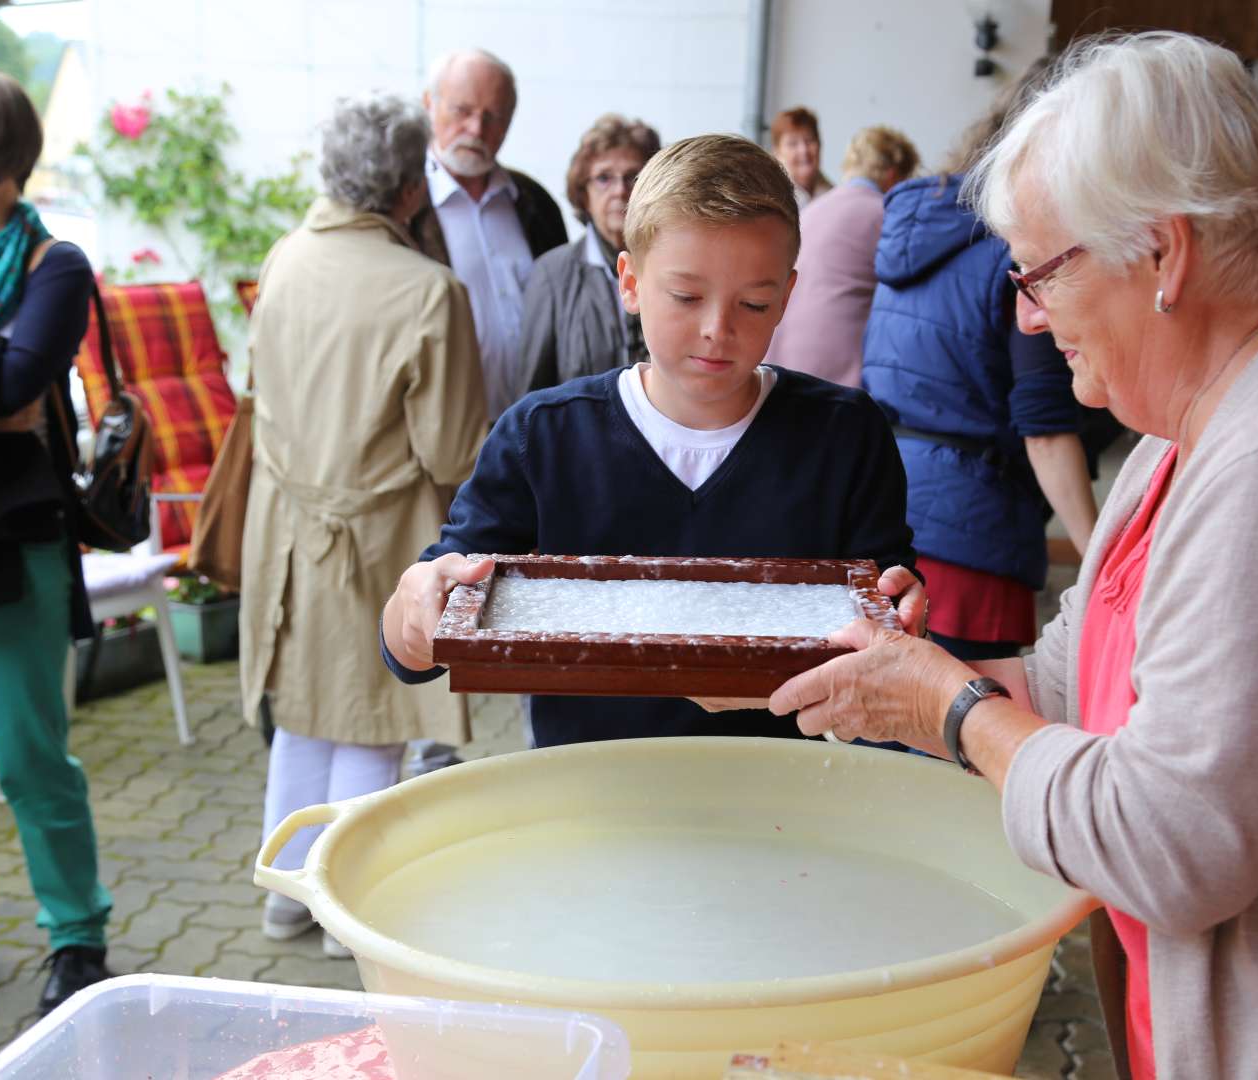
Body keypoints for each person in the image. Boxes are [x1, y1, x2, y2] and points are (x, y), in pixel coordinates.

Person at [769, 33, 1258, 1080]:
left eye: (1039, 272)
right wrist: (883, 682)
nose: (1023, 312)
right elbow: (1072, 692)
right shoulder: (1188, 433)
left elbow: (1174, 845)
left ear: (1163, 254)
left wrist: (952, 712)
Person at [380, 134, 916, 749]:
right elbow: (414, 643)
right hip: (589, 797)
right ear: (630, 282)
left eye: (754, 302)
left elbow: (887, 623)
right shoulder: (542, 439)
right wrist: (415, 613)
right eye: (686, 297)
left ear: (787, 298)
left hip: (782, 798)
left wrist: (898, 624)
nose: (718, 329)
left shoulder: (846, 438)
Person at [242, 95, 489, 955]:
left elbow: (257, 391)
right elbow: (456, 449)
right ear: (412, 188)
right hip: (379, 527)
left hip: (284, 525)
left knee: (306, 711)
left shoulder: (282, 259)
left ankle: (284, 893)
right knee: (372, 718)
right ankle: (341, 914)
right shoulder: (428, 291)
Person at [0, 70, 112, 1013]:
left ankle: (77, 937)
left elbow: (10, 390)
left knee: (28, 755)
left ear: (0, 154)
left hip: (11, 537)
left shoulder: (58, 267)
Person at [861, 86, 1097, 662]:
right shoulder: (1017, 249)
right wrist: (1103, 559)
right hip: (973, 534)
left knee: (884, 722)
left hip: (891, 513)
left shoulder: (914, 235)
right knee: (960, 731)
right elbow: (1042, 424)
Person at [412, 49, 568, 420]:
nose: (476, 130)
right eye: (462, 111)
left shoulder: (533, 202)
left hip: (527, 428)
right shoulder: (404, 203)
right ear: (429, 104)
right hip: (440, 432)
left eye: (493, 116)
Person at [764, 125, 919, 387]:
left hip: (777, 356)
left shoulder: (813, 209)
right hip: (834, 370)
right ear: (894, 175)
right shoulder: (885, 214)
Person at [522, 114, 661, 390]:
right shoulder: (552, 274)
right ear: (583, 193)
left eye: (633, 177)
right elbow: (531, 391)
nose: (620, 190)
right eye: (603, 178)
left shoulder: (673, 266)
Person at [770, 107, 832, 208]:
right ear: (777, 153)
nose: (804, 150)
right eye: (793, 143)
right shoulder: (772, 198)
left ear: (820, 144)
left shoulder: (835, 195)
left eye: (809, 140)